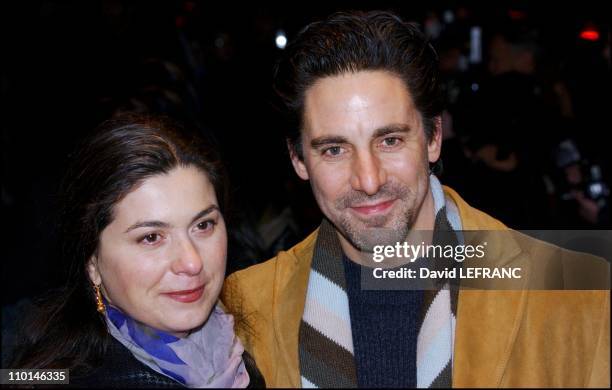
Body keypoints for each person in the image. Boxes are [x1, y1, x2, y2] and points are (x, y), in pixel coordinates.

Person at [221, 11, 610, 388]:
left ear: (433, 138)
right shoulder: (244, 307)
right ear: (298, 159)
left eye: (390, 141)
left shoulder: (577, 295)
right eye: (335, 150)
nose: (369, 180)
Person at [9, 115, 264, 388]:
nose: (191, 262)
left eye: (203, 225)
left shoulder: (235, 345)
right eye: (151, 237)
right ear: (92, 262)